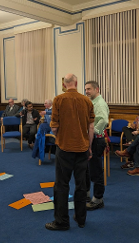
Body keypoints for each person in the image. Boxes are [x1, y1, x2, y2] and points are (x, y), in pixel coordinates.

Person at [45, 73, 94, 231]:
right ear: (77, 83)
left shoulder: (58, 100)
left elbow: (53, 127)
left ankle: (61, 222)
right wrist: (89, 146)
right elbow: (91, 128)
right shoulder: (87, 101)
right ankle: (81, 219)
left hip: (64, 148)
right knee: (81, 185)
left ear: (65, 85)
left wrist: (59, 133)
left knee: (61, 185)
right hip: (82, 148)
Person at [84, 81, 109, 211]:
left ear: (96, 89)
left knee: (96, 170)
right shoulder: (92, 102)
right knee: (88, 169)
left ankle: (98, 199)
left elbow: (104, 120)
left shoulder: (99, 103)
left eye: (89, 89)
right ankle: (87, 195)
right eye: (86, 89)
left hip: (97, 140)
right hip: (92, 139)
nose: (87, 91)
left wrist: (95, 131)